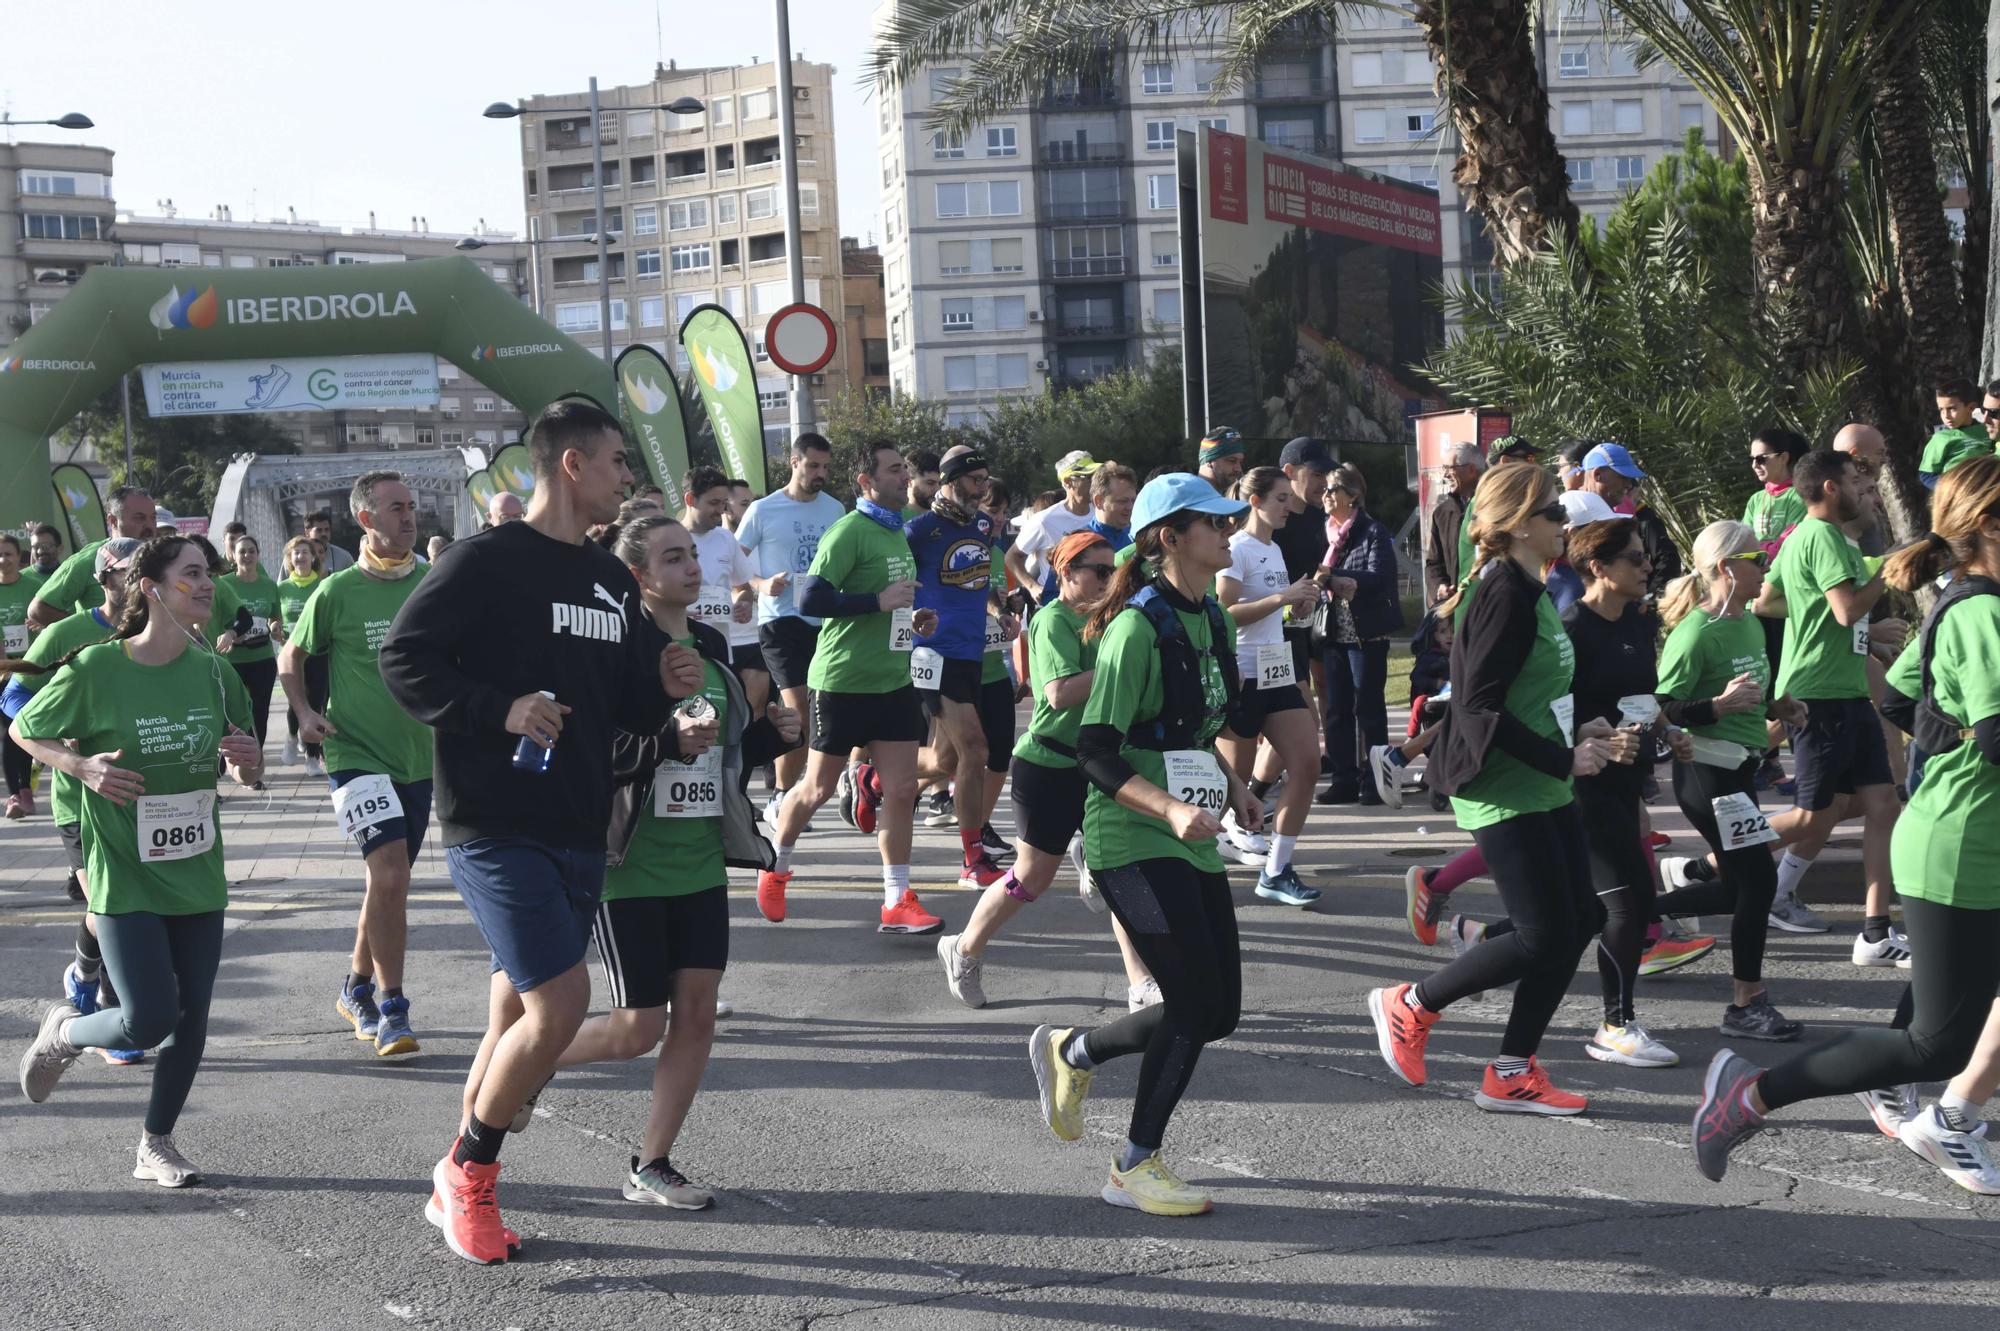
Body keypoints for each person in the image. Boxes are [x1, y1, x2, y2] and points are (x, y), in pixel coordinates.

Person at [378, 399, 701, 1266]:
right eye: (617, 462)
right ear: (572, 466)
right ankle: (470, 1171)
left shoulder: (606, 580)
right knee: (561, 1002)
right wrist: (499, 708)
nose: (627, 477)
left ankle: (456, 1169)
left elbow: (623, 701)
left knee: (515, 1012)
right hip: (493, 819)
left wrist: (665, 684)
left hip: (579, 821)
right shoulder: (489, 561)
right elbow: (404, 658)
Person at [1692, 455, 2000, 1182]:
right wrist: (1960, 739)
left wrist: (1944, 734)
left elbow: (1897, 694)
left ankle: (1944, 1113)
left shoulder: (1963, 598)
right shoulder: (1983, 610)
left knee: (1945, 1019)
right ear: (1990, 525)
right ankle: (1749, 1094)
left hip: (1967, 831)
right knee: (1939, 1044)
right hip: (1962, 846)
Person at [542, 514, 800, 1209]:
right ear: (639, 576)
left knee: (697, 1013)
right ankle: (525, 1059)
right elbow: (594, 754)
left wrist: (773, 737)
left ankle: (651, 1162)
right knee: (636, 1026)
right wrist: (666, 740)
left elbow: (717, 755)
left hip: (697, 861)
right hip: (628, 862)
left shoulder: (712, 643)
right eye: (674, 557)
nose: (693, 567)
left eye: (693, 555)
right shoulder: (619, 650)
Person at [1028, 473, 1259, 1217]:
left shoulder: (1211, 619)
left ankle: (1075, 1051)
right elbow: (1096, 750)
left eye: (1229, 520)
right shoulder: (1135, 625)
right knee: (1190, 1003)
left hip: (1187, 827)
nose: (1229, 532)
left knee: (1219, 1011)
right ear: (1170, 537)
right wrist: (1166, 805)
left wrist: (1236, 784)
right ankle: (1133, 1164)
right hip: (1129, 831)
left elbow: (1192, 732)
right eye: (1214, 523)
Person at [15, 534, 263, 1187]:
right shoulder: (97, 667)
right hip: (123, 864)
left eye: (208, 574)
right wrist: (78, 765)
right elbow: (22, 727)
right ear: (151, 587)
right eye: (191, 575)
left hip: (196, 866)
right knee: (148, 1016)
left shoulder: (215, 669)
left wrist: (246, 764)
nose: (207, 584)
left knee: (194, 1016)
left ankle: (156, 1142)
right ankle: (66, 1032)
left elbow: (242, 755)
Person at [1366, 462, 1612, 1116]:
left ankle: (1511, 1070)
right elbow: (1478, 708)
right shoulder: (1503, 592)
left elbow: (1527, 689)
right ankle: (1411, 1004)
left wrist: (1578, 723)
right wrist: (1565, 757)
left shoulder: (1527, 586)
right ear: (1520, 524)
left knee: (1581, 918)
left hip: (1539, 777)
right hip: (1504, 783)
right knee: (1540, 934)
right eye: (1554, 512)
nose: (1564, 522)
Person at [936, 531, 1157, 1009]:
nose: (1107, 579)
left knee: (1125, 869)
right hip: (1049, 765)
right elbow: (1057, 693)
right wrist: (1125, 665)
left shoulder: (1115, 617)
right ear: (1065, 574)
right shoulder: (1053, 618)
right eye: (1097, 572)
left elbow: (1139, 549)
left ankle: (1140, 984)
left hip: (1102, 764)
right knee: (1031, 878)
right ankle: (964, 948)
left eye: (1111, 572)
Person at [756, 442, 944, 934]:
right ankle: (776, 868)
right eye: (894, 470)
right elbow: (812, 598)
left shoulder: (895, 534)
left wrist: (910, 617)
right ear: (867, 482)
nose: (905, 477)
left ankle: (896, 899)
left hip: (893, 681)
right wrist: (877, 601)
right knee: (816, 789)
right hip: (842, 682)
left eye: (905, 467)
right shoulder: (849, 531)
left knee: (903, 789)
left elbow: (887, 603)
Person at [281, 472, 435, 1058]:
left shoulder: (431, 582)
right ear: (366, 520)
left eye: (412, 506)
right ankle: (393, 1009)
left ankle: (355, 986)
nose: (409, 516)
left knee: (387, 885)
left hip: (419, 756)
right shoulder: (336, 590)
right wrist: (303, 712)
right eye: (396, 508)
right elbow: (290, 656)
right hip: (354, 753)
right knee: (391, 875)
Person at [1652, 521, 1805, 1041]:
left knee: (1741, 888)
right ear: (1725, 568)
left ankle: (1632, 919)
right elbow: (1661, 708)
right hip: (1705, 771)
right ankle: (1746, 1004)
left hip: (1739, 767)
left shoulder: (1749, 622)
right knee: (1759, 882)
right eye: (1756, 559)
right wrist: (1714, 706)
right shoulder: (1697, 632)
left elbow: (1753, 694)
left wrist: (1778, 706)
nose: (1765, 567)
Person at [1756, 449, 1909, 961]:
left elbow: (1770, 602)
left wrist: (1818, 614)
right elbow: (1846, 610)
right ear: (1828, 488)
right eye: (1855, 482)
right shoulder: (1823, 537)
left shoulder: (1807, 536)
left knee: (1883, 804)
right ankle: (1701, 867)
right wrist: (1886, 572)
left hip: (1843, 691)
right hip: (1821, 695)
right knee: (1807, 818)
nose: (1865, 492)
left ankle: (1874, 931)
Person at [2, 538, 143, 1054]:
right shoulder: (68, 633)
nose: (140, 582)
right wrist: (63, 742)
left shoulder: (162, 630)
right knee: (107, 902)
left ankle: (83, 974)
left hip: (137, 795)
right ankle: (112, 1008)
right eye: (129, 573)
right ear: (104, 579)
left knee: (120, 902)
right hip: (77, 796)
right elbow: (13, 694)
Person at [906, 445, 1012, 889]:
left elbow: (980, 578)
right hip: (933, 653)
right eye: (975, 480)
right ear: (950, 481)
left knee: (945, 758)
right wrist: (910, 618)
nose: (982, 488)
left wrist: (996, 609)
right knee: (976, 750)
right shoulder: (918, 531)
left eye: (986, 480)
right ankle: (973, 858)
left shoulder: (985, 525)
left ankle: (875, 774)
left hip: (972, 652)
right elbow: (898, 584)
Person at [1217, 467, 1322, 903]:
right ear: (1254, 501)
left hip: (1276, 670)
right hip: (1241, 675)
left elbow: (1267, 616)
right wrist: (1281, 598)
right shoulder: (1237, 549)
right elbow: (1223, 614)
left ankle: (1277, 870)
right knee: (1225, 785)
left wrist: (1294, 609)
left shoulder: (1274, 550)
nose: (1288, 507)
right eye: (1281, 498)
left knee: (1308, 763)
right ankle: (1159, 850)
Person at [736, 433, 848, 822]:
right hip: (780, 621)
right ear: (794, 463)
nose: (821, 474)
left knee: (822, 712)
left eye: (826, 467)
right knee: (797, 710)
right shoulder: (763, 510)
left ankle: (801, 788)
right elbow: (737, 565)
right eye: (813, 465)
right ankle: (780, 795)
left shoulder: (836, 510)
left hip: (826, 622)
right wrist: (761, 585)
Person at [1316, 465, 1404, 805]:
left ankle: (1374, 780)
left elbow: (1378, 577)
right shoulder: (1323, 532)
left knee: (1368, 709)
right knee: (1337, 710)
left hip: (1366, 635)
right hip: (1333, 632)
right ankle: (1343, 780)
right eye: (1324, 489)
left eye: (1333, 489)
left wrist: (1332, 574)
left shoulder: (1372, 532)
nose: (1325, 496)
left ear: (1352, 495)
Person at [678, 466, 767, 719]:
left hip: (721, 646)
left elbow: (742, 586)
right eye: (713, 503)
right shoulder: (669, 536)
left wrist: (743, 602)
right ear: (690, 499)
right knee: (691, 718)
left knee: (730, 716)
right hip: (683, 646)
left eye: (723, 502)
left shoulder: (725, 539)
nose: (721, 510)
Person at [28, 486, 157, 629]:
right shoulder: (91, 558)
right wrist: (91, 632)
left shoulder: (162, 557)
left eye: (153, 518)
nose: (149, 526)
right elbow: (38, 609)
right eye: (139, 518)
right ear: (113, 521)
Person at [1581, 442, 1681, 594]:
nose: (1628, 484)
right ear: (1597, 475)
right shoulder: (1575, 517)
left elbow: (1667, 558)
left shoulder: (1626, 516)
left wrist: (1649, 599)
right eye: (1622, 476)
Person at [1007, 451, 1100, 609]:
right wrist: (1031, 586)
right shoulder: (1045, 520)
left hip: (1097, 604)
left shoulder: (1101, 511)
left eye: (1095, 475)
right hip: (1060, 607)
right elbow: (1012, 556)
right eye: (1088, 477)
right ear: (1067, 482)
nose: (1094, 482)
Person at [219, 535, 282, 759]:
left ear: (258, 554)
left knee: (260, 712)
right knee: (232, 712)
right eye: (242, 551)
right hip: (232, 659)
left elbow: (275, 617)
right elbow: (215, 618)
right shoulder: (224, 584)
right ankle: (230, 758)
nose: (247, 555)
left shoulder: (269, 585)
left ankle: (253, 760)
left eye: (251, 551)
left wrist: (275, 627)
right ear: (233, 556)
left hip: (262, 657)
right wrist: (229, 634)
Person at [272, 537, 328, 773]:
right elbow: (274, 617)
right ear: (289, 560)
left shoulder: (325, 585)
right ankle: (293, 737)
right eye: (296, 553)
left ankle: (313, 757)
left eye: (305, 552)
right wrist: (273, 625)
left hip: (319, 651)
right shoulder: (282, 589)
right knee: (296, 701)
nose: (301, 557)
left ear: (313, 557)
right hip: (292, 653)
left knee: (315, 703)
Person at [0, 534, 39, 817]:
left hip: (30, 670)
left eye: (8, 554)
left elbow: (51, 621)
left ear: (18, 556)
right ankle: (17, 794)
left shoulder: (35, 588)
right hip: (1, 672)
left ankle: (26, 788)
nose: (3, 560)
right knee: (7, 733)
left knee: (22, 728)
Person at [1424, 442, 1484, 606]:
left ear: (1471, 470)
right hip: (1454, 608)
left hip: (1486, 604)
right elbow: (1433, 563)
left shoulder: (1493, 507)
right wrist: (1440, 586)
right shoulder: (1442, 513)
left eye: (1449, 468)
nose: (1445, 474)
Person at [1919, 378, 1992, 487]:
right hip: (1959, 498)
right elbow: (1926, 475)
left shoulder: (1988, 430)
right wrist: (1952, 488)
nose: (1946, 416)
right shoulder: (1940, 439)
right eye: (1941, 410)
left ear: (1971, 407)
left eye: (1952, 409)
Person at [1196, 426, 1245, 494]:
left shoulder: (1236, 499)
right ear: (1209, 461)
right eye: (1231, 460)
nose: (1238, 469)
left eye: (1241, 462)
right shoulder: (1184, 499)